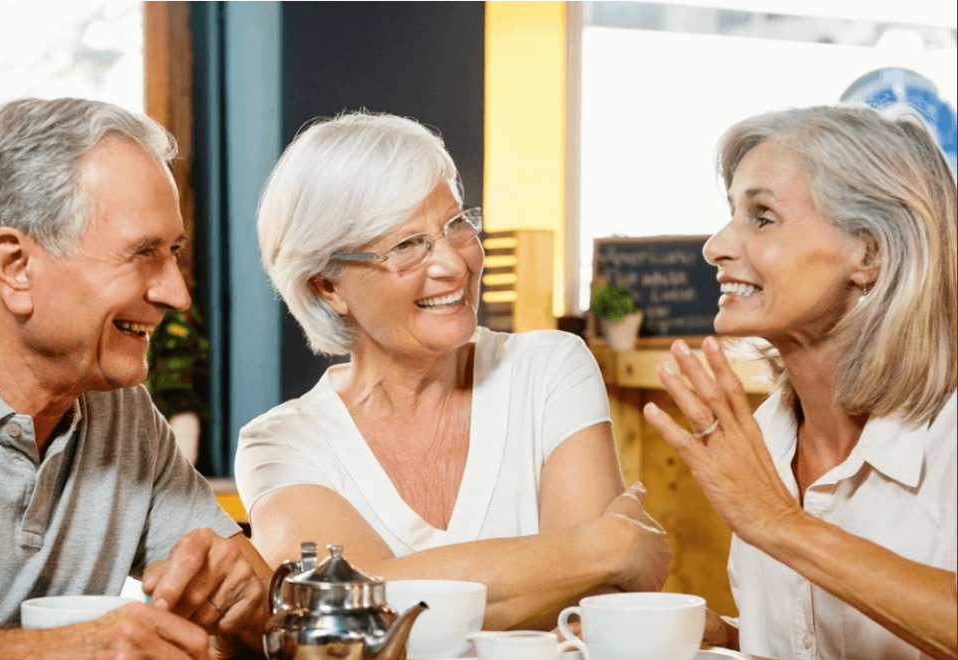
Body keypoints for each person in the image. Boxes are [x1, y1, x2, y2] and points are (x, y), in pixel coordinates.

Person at [236, 110, 670, 632]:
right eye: (405, 245)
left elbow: (592, 608)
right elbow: (358, 616)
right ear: (327, 287)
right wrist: (609, 544)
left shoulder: (549, 368)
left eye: (456, 225)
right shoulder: (281, 444)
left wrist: (406, 586)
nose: (453, 263)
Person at [0, 98, 272, 660]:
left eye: (174, 251)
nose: (177, 293)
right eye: (144, 253)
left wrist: (251, 604)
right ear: (15, 267)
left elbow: (247, 595)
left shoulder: (123, 413)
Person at [643, 104, 957, 660]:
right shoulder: (767, 432)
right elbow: (835, 653)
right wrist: (729, 638)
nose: (715, 246)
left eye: (762, 218)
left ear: (870, 254)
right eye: (730, 214)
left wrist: (778, 523)